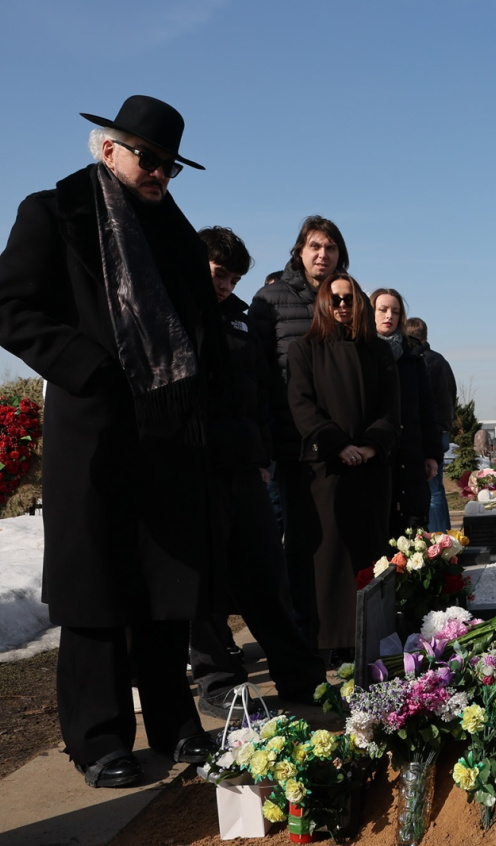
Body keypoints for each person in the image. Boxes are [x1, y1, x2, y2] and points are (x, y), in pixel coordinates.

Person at [0, 95, 222, 787]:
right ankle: (97, 738)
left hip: (168, 433)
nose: (159, 173)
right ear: (108, 149)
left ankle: (175, 723)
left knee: (165, 588)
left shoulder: (176, 235)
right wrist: (86, 366)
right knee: (95, 589)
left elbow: (204, 332)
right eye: (148, 158)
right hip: (94, 431)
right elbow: (9, 306)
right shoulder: (54, 212)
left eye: (170, 165)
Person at [189, 227, 324, 718]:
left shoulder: (242, 323)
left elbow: (262, 395)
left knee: (268, 576)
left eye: (233, 278)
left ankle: (301, 677)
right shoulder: (177, 316)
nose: (225, 285)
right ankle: (219, 682)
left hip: (246, 467)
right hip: (197, 468)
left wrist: (263, 457)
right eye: (218, 274)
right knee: (206, 586)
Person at [288, 273, 400, 657]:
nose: (341, 306)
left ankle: (372, 640)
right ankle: (331, 645)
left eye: (348, 299)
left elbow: (391, 409)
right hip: (327, 470)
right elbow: (302, 405)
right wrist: (339, 446)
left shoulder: (379, 351)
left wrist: (369, 447)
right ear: (323, 302)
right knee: (330, 562)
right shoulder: (304, 350)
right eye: (334, 299)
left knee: (371, 556)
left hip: (371, 470)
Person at [248, 216, 348, 643]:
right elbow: (256, 373)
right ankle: (301, 630)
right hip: (291, 440)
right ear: (300, 251)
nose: (323, 255)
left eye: (331, 248)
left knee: (337, 538)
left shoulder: (348, 297)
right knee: (298, 540)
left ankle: (338, 629)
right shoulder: (270, 300)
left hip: (340, 442)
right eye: (315, 247)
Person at [371, 290, 440, 534]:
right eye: (382, 310)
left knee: (412, 526)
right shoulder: (360, 351)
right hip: (375, 452)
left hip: (410, 451)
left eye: (395, 311)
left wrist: (432, 454)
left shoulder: (412, 355)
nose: (389, 316)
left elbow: (426, 408)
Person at [405, 317, 457, 532]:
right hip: (442, 429)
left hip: (429, 430)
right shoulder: (441, 360)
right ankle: (444, 533)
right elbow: (452, 393)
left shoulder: (420, 360)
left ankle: (436, 536)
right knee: (438, 488)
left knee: (431, 489)